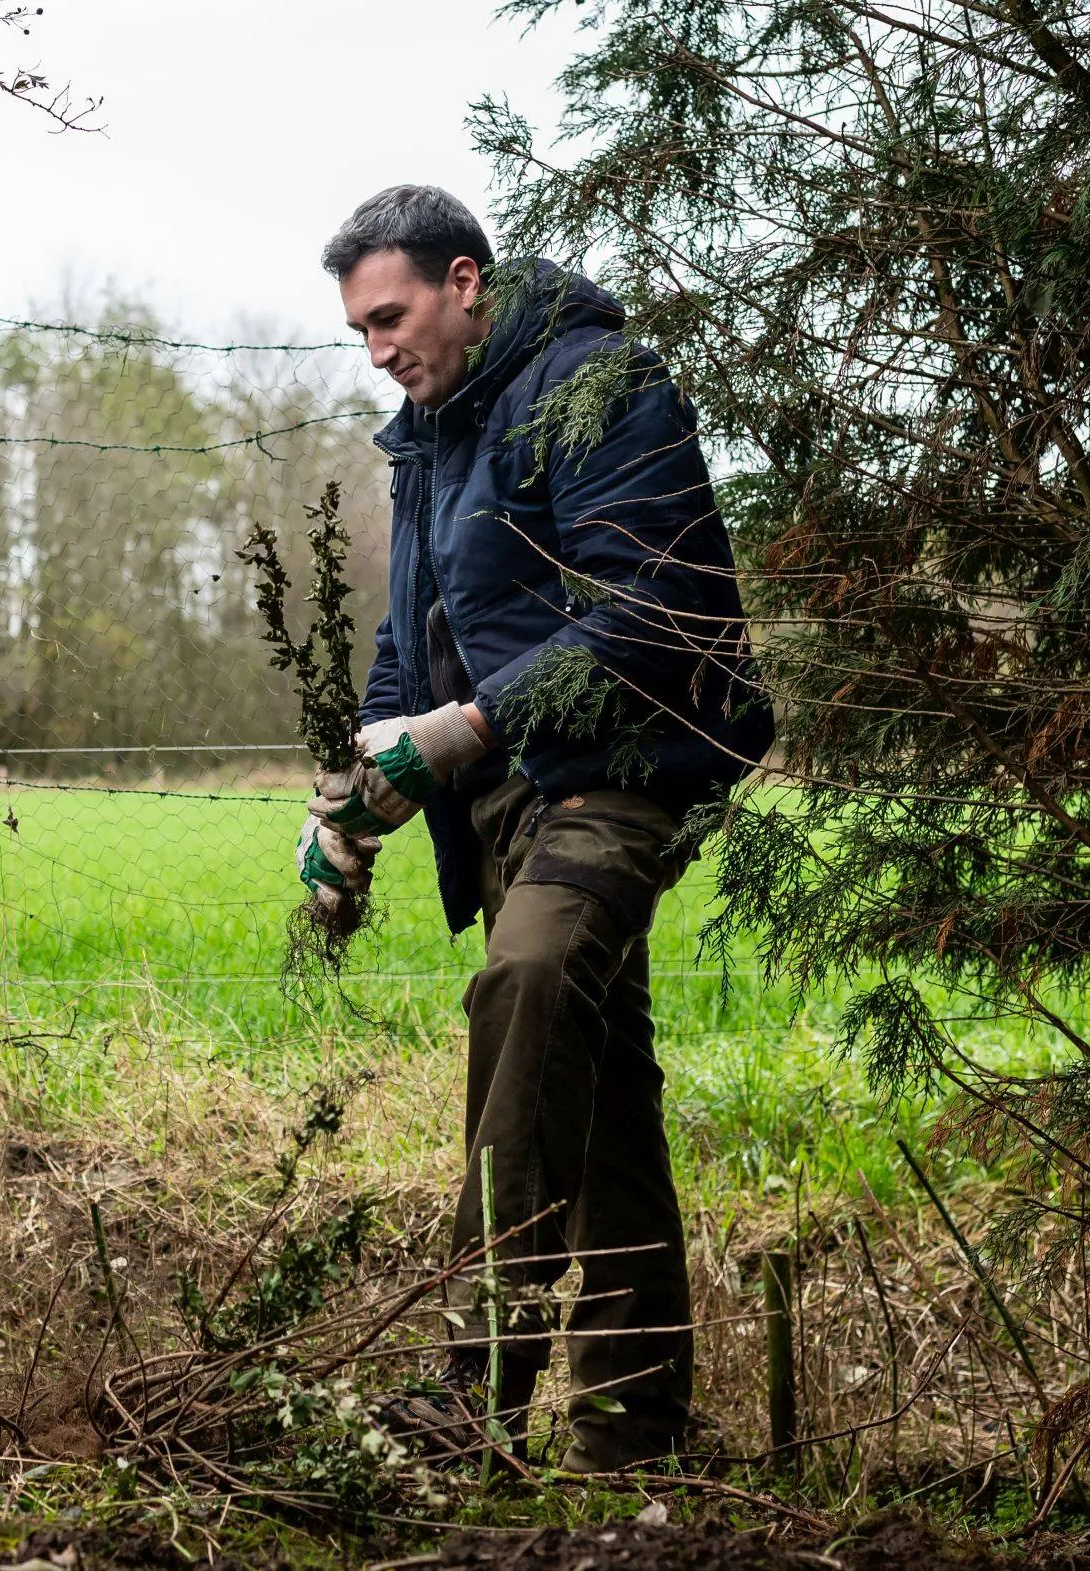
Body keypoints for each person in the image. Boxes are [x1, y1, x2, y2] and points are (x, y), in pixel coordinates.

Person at [301, 185, 773, 1470]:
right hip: (508, 788)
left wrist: (464, 728)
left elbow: (657, 610)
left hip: (621, 768)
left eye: (389, 317)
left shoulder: (599, 385)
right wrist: (358, 789)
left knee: (526, 981)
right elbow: (414, 634)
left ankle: (473, 1390)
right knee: (594, 1079)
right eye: (358, 330)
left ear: (465, 281)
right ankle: (633, 1428)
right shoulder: (430, 432)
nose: (377, 348)